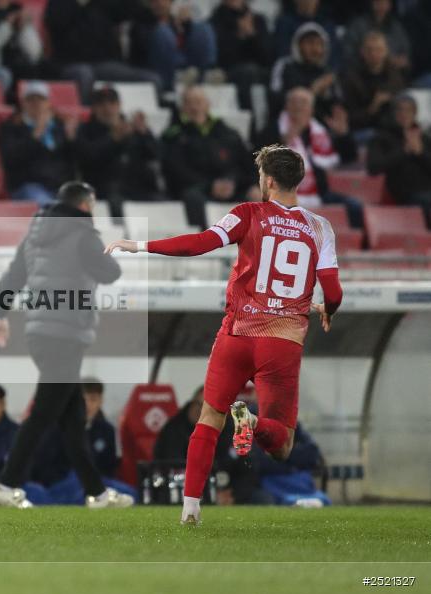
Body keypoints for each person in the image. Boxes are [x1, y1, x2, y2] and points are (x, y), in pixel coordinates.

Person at [105, 144, 343, 524]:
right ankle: (250, 422)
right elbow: (333, 292)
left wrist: (139, 246)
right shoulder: (320, 228)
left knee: (209, 417)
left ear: (266, 180)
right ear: (298, 181)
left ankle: (190, 508)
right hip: (281, 341)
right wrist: (325, 310)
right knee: (281, 444)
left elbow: (199, 244)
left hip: (236, 334)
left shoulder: (247, 214)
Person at [0, 181, 133, 509]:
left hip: (39, 332)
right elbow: (110, 272)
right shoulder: (83, 234)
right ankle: (6, 483)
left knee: (72, 417)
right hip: (67, 334)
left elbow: (14, 276)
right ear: (85, 205)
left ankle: (96, 493)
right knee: (43, 413)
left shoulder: (35, 235)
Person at [254, 87, 362, 227]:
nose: (298, 106)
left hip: (319, 193)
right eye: (294, 102)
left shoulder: (319, 130)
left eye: (303, 102)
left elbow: (349, 157)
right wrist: (284, 141)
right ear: (286, 106)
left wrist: (343, 135)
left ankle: (359, 247)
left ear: (311, 109)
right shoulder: (274, 128)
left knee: (354, 206)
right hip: (284, 193)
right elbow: (260, 159)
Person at [162, 86, 260, 229]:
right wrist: (211, 186)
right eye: (189, 103)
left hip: (230, 187)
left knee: (256, 194)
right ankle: (203, 243)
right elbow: (176, 172)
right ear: (183, 108)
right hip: (198, 189)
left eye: (199, 102)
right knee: (192, 197)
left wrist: (233, 182)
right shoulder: (174, 136)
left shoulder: (228, 133)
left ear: (208, 104)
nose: (195, 107)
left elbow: (245, 164)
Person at [44, 0, 162, 102]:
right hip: (68, 63)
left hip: (104, 64)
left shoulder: (104, 3)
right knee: (84, 74)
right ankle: (84, 124)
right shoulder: (58, 2)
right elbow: (55, 22)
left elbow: (141, 14)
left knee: (152, 80)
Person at [75, 86, 162, 218]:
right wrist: (113, 140)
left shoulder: (133, 127)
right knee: (116, 204)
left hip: (137, 188)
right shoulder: (86, 130)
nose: (107, 108)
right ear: (94, 108)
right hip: (104, 190)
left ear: (119, 105)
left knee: (163, 203)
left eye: (112, 103)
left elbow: (157, 155)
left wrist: (145, 133)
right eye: (101, 104)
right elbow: (88, 158)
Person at [0, 81, 77, 204]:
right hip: (27, 186)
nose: (36, 103)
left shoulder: (60, 127)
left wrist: (73, 140)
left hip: (59, 187)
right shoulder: (10, 127)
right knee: (47, 205)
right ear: (23, 103)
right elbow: (11, 158)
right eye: (30, 99)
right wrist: (35, 134)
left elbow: (73, 160)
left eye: (40, 99)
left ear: (49, 103)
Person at [30, 377, 120, 486]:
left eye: (93, 399)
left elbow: (110, 467)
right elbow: (43, 466)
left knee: (128, 493)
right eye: (83, 399)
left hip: (99, 484)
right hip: (62, 485)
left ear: (101, 401)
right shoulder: (56, 428)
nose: (87, 405)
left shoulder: (107, 431)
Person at [367, 93, 431, 227]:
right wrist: (404, 151)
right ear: (393, 112)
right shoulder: (381, 138)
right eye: (400, 109)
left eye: (409, 110)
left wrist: (420, 153)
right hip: (401, 194)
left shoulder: (423, 138)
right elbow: (373, 167)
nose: (404, 114)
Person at [130, 0, 219, 92]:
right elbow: (143, 48)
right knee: (163, 33)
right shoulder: (141, 23)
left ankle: (207, 75)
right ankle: (174, 82)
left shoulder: (174, 21)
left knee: (204, 29)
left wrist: (186, 26)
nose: (160, 4)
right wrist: (161, 27)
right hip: (157, 67)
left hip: (185, 65)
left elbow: (185, 44)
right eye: (155, 1)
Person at [210, 0, 276, 110]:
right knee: (247, 73)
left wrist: (251, 35)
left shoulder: (258, 20)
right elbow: (221, 57)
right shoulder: (215, 21)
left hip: (260, 72)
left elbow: (268, 57)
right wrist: (240, 36)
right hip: (229, 72)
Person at [270, 22, 340, 120]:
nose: (315, 49)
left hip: (320, 128)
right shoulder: (284, 66)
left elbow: (336, 107)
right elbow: (275, 100)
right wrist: (312, 91)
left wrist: (326, 95)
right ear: (298, 45)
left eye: (319, 44)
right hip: (288, 124)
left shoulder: (327, 73)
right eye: (310, 43)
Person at [340, 31, 406, 134]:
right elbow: (350, 117)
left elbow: (404, 106)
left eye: (379, 50)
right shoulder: (351, 79)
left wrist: (392, 100)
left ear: (386, 51)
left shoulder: (395, 76)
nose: (374, 54)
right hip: (364, 130)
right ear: (362, 52)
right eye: (369, 50)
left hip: (392, 129)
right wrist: (373, 108)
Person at [343, 0, 410, 73]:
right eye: (377, 2)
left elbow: (406, 51)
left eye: (384, 3)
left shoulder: (396, 27)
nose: (381, 6)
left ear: (389, 5)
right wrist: (369, 59)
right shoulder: (358, 25)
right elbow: (348, 53)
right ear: (371, 3)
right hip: (362, 73)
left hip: (392, 73)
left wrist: (401, 60)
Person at [274, 0, 340, 68]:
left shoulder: (328, 25)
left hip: (323, 74)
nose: (308, 1)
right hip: (293, 73)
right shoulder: (284, 24)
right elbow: (283, 54)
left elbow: (334, 58)